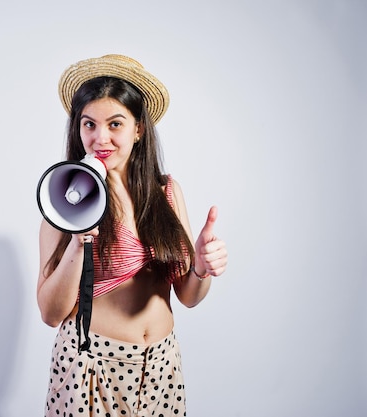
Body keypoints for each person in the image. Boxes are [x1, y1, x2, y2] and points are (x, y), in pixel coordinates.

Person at [37, 54, 228, 416]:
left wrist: (201, 268)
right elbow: (50, 313)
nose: (100, 138)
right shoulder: (64, 201)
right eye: (89, 124)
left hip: (160, 366)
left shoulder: (167, 193)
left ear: (139, 129)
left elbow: (188, 296)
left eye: (115, 124)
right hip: (91, 370)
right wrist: (79, 240)